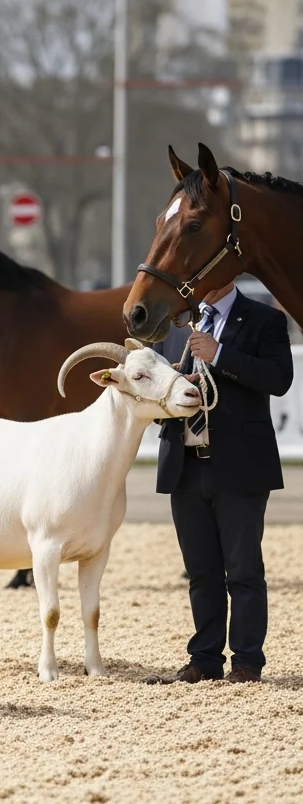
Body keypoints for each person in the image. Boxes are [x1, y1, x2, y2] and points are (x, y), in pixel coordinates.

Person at [146, 279, 293, 685]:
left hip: (240, 466)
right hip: (184, 465)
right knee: (201, 572)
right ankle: (204, 659)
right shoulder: (174, 324)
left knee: (243, 571)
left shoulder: (264, 320)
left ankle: (246, 663)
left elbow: (279, 379)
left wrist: (220, 355)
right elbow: (155, 397)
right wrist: (174, 391)